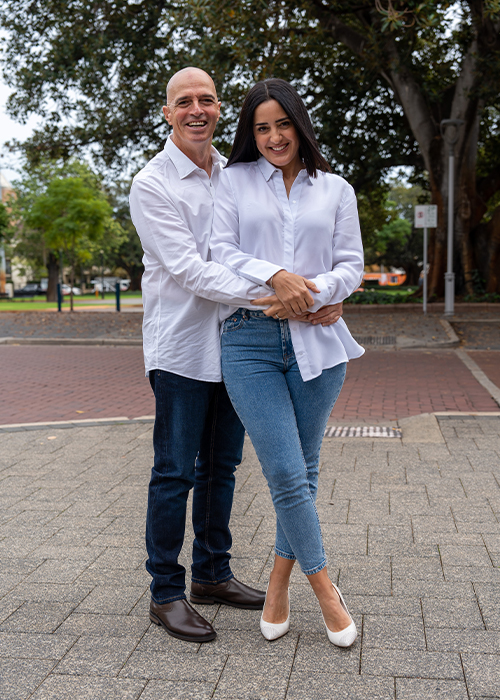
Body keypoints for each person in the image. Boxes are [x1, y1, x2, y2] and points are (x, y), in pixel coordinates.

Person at [129, 67, 344, 643]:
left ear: (219, 108)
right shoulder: (152, 183)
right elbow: (193, 269)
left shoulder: (238, 172)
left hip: (234, 343)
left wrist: (320, 296)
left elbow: (294, 246)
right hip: (180, 344)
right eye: (184, 102)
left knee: (222, 467)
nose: (196, 109)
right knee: (175, 471)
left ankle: (213, 575)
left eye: (206, 99)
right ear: (168, 111)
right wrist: (284, 293)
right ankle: (165, 593)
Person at [210, 78, 365, 646]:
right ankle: (327, 590)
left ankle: (278, 584)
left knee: (303, 473)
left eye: (283, 123)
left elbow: (351, 264)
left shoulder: (336, 188)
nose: (275, 136)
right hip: (249, 341)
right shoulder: (233, 181)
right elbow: (221, 250)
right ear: (251, 134)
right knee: (284, 471)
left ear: (300, 124)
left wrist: (318, 291)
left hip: (320, 345)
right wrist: (276, 277)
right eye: (262, 127)